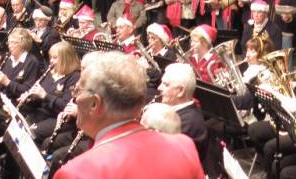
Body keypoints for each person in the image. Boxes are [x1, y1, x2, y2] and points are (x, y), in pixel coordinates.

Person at [54, 51, 204, 179]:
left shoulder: (75, 173)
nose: (75, 98)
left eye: (77, 91)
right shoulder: (183, 146)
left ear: (94, 104)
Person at [158, 63, 208, 164]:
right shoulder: (177, 112)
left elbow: (161, 156)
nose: (159, 87)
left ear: (180, 91)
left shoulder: (188, 123)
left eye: (166, 84)